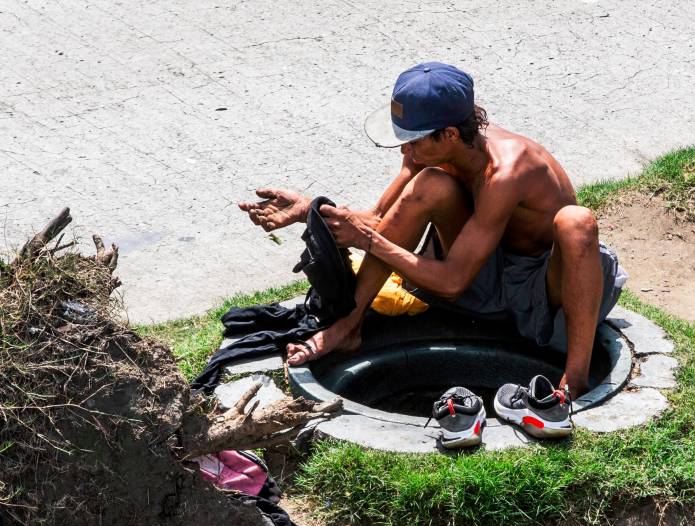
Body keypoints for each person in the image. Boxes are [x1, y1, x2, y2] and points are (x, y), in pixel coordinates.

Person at [238, 62, 625, 400]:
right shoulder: (429, 156)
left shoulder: (507, 171)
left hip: (550, 292)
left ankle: (575, 380)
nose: (404, 153)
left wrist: (368, 239)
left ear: (451, 135)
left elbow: (449, 279)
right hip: (489, 276)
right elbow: (378, 221)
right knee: (430, 186)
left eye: (413, 142)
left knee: (576, 222)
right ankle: (349, 327)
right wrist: (311, 210)